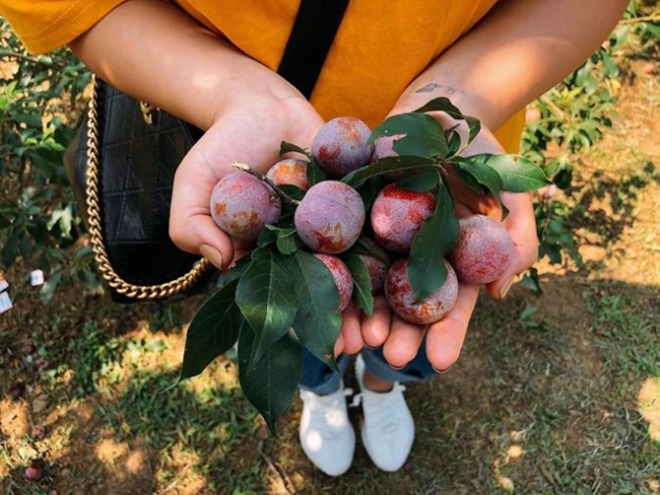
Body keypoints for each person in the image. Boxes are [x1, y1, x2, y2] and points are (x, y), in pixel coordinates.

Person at [0, 0, 628, 476]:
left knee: (406, 328)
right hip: (260, 162)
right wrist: (230, 92)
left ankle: (381, 389)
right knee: (301, 321)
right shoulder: (283, 204)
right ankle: (323, 393)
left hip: (446, 173)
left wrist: (461, 97)